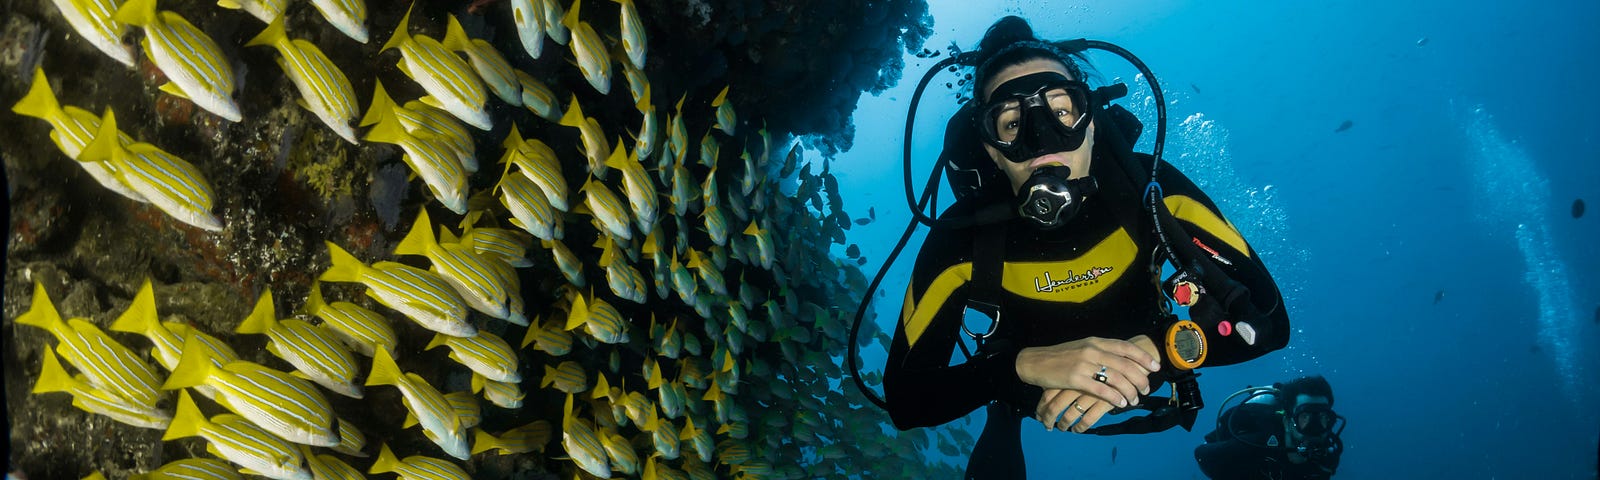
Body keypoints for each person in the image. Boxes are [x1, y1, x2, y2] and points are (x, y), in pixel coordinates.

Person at [881, 16, 1292, 479]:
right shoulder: (962, 239)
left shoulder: (1153, 193)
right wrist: (1017, 368)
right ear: (991, 149)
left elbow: (1269, 323)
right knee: (1005, 410)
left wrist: (1159, 353)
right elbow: (906, 399)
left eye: (1061, 111)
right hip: (1028, 386)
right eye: (1012, 123)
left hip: (1151, 355)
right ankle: (1007, 411)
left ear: (1092, 122)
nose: (1042, 140)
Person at [1195, 376, 1344, 479]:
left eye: (1323, 418)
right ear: (1287, 421)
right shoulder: (1256, 444)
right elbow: (1202, 455)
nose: (1315, 427)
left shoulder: (1327, 456)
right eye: (1305, 417)